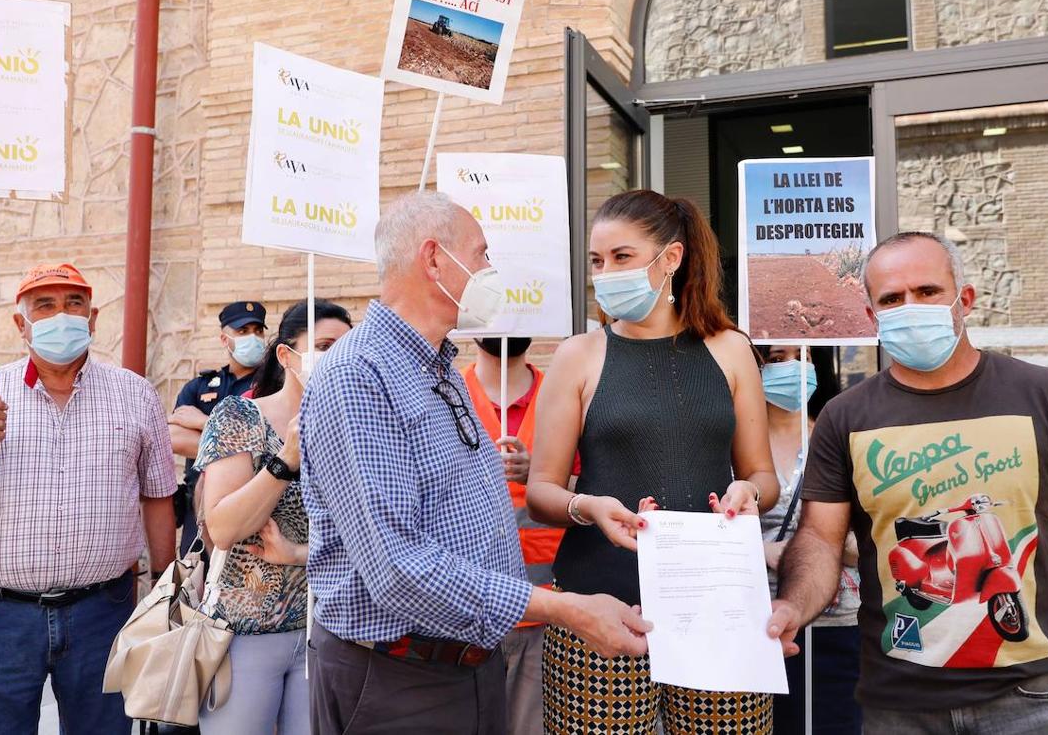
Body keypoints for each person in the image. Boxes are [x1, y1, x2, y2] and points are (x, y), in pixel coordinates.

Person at [301, 191, 651, 735]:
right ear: (434, 258)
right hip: (397, 680)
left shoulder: (438, 366)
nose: (490, 270)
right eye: (482, 254)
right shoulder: (358, 375)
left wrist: (582, 505)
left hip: (467, 665)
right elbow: (397, 570)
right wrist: (566, 609)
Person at [768, 232, 1048, 735]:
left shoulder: (1045, 395)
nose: (910, 307)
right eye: (892, 299)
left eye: (927, 292)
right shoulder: (845, 417)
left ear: (963, 300)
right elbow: (819, 537)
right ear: (871, 316)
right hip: (898, 704)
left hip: (1038, 698)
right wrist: (794, 605)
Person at [526, 189, 780, 734]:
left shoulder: (731, 349)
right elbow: (541, 490)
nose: (606, 272)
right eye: (597, 261)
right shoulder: (578, 355)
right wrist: (586, 505)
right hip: (598, 604)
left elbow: (762, 476)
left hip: (716, 605)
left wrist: (749, 494)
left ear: (671, 258)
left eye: (622, 257)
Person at [0, 262, 177, 735]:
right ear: (20, 323)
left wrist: (166, 588)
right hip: (1, 617)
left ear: (93, 318)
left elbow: (157, 495)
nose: (62, 316)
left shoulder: (135, 394)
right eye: (45, 305)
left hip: (103, 612)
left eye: (74, 303)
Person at [193, 299, 352, 735]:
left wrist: (297, 553)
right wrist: (286, 460)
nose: (336, 358)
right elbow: (222, 528)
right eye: (323, 345)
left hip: (328, 629)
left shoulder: (356, 429)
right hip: (244, 633)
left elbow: (362, 540)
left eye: (346, 347)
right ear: (286, 354)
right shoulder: (241, 416)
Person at [462, 336, 565, 735]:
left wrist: (539, 472)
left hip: (547, 613)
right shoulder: (447, 396)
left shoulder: (562, 396)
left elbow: (590, 490)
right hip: (471, 613)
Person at [759, 344, 862, 735]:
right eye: (779, 358)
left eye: (805, 358)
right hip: (756, 620)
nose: (794, 368)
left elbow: (869, 530)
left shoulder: (840, 438)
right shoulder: (730, 445)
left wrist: (843, 546)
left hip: (838, 619)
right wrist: (764, 551)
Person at [171, 300, 268, 553]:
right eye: (243, 331)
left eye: (258, 331)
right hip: (198, 506)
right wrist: (242, 444)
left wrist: (204, 423)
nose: (253, 337)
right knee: (195, 585)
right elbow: (174, 437)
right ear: (225, 339)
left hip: (253, 507)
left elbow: (270, 438)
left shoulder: (272, 385)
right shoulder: (199, 386)